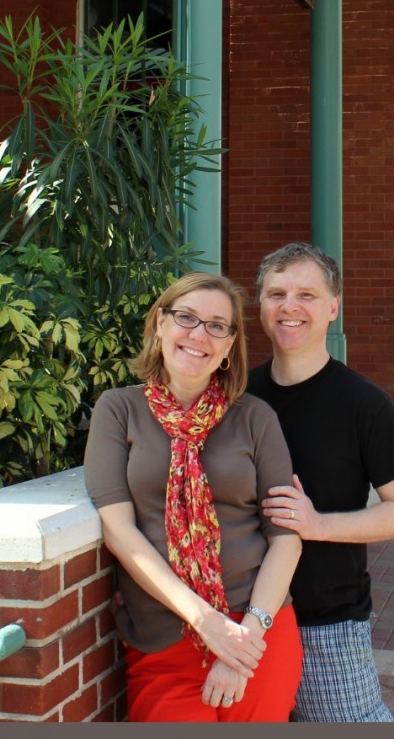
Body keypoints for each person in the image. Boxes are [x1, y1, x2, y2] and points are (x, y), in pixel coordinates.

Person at [83, 272, 303, 722]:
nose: (199, 335)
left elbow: (286, 536)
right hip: (164, 631)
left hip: (257, 630)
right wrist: (205, 622)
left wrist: (244, 638)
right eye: (187, 317)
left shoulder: (255, 417)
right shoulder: (118, 409)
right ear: (160, 324)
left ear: (228, 347)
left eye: (217, 326)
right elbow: (119, 530)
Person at [248, 242, 394, 722]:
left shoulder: (363, 403)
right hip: (243, 622)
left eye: (306, 294)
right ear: (260, 304)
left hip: (326, 620)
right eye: (276, 293)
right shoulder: (238, 397)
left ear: (332, 307)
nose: (289, 306)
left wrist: (316, 524)